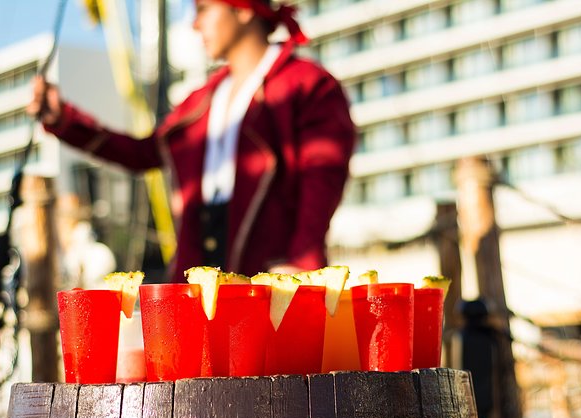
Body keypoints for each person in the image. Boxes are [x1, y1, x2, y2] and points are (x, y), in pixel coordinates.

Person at [27, 0, 355, 282]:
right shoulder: (202, 100)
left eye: (203, 8)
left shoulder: (308, 85)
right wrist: (64, 120)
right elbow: (143, 152)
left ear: (243, 11)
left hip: (272, 281)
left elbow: (322, 180)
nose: (194, 23)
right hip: (194, 282)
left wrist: (303, 264)